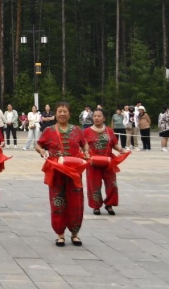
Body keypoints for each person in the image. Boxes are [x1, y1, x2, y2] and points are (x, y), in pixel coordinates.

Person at [36, 101, 90, 247]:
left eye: (65, 111)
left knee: (76, 202)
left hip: (74, 172)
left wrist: (85, 151)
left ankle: (75, 233)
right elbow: (39, 144)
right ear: (55, 113)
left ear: (69, 114)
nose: (62, 114)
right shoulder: (49, 131)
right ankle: (60, 234)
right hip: (57, 172)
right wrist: (42, 151)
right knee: (57, 201)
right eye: (59, 111)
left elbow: (84, 143)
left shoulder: (77, 130)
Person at [83, 109, 126, 216]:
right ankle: (96, 206)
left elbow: (114, 144)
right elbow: (84, 146)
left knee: (111, 183)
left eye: (99, 116)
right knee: (94, 185)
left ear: (104, 118)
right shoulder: (87, 131)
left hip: (108, 162)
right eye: (95, 116)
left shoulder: (109, 131)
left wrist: (121, 150)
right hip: (93, 163)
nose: (96, 118)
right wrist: (86, 153)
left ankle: (109, 204)